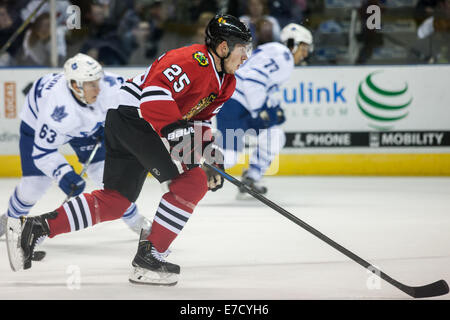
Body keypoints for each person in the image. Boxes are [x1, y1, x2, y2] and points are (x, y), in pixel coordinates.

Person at [6, 14, 252, 286]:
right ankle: (149, 258)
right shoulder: (192, 60)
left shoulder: (227, 82)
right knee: (193, 181)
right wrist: (181, 139)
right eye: (243, 48)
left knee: (116, 200)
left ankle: (35, 227)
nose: (246, 57)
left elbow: (200, 120)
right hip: (137, 119)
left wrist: (211, 156)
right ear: (223, 46)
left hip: (130, 122)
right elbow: (153, 97)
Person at [0, 53, 151, 243]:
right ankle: (10, 220)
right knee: (35, 185)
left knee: (108, 178)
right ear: (75, 86)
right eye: (91, 84)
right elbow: (43, 152)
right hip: (36, 122)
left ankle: (137, 222)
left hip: (88, 126)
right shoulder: (58, 110)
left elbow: (139, 97)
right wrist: (64, 175)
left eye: (98, 81)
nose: (98, 88)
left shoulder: (110, 85)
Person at [215, 20, 313, 197]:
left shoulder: (273, 50)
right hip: (236, 104)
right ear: (293, 43)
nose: (305, 54)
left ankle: (252, 176)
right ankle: (185, 166)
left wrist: (271, 106)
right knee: (227, 159)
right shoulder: (283, 55)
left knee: (275, 135)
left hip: (243, 103)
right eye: (304, 48)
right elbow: (253, 80)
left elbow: (260, 83)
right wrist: (261, 109)